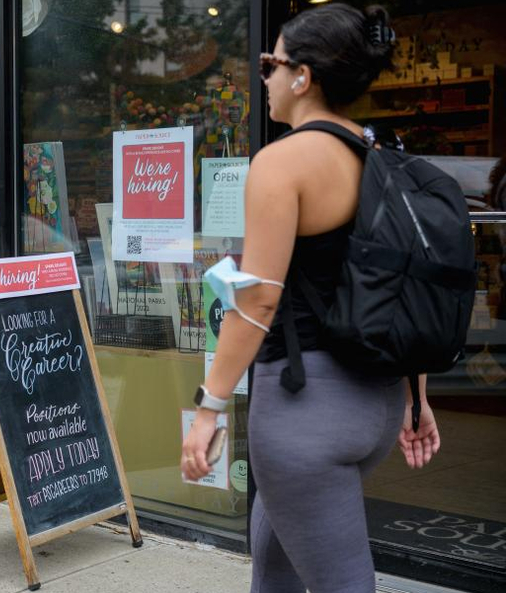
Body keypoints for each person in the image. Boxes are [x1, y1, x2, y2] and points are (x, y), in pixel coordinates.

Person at [180, 4, 441, 592]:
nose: (263, 75)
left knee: (342, 583)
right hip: (374, 403)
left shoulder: (282, 163)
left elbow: (258, 302)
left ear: (303, 77)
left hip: (306, 415)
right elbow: (408, 285)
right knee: (274, 566)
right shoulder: (384, 155)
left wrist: (207, 409)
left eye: (270, 62)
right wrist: (415, 398)